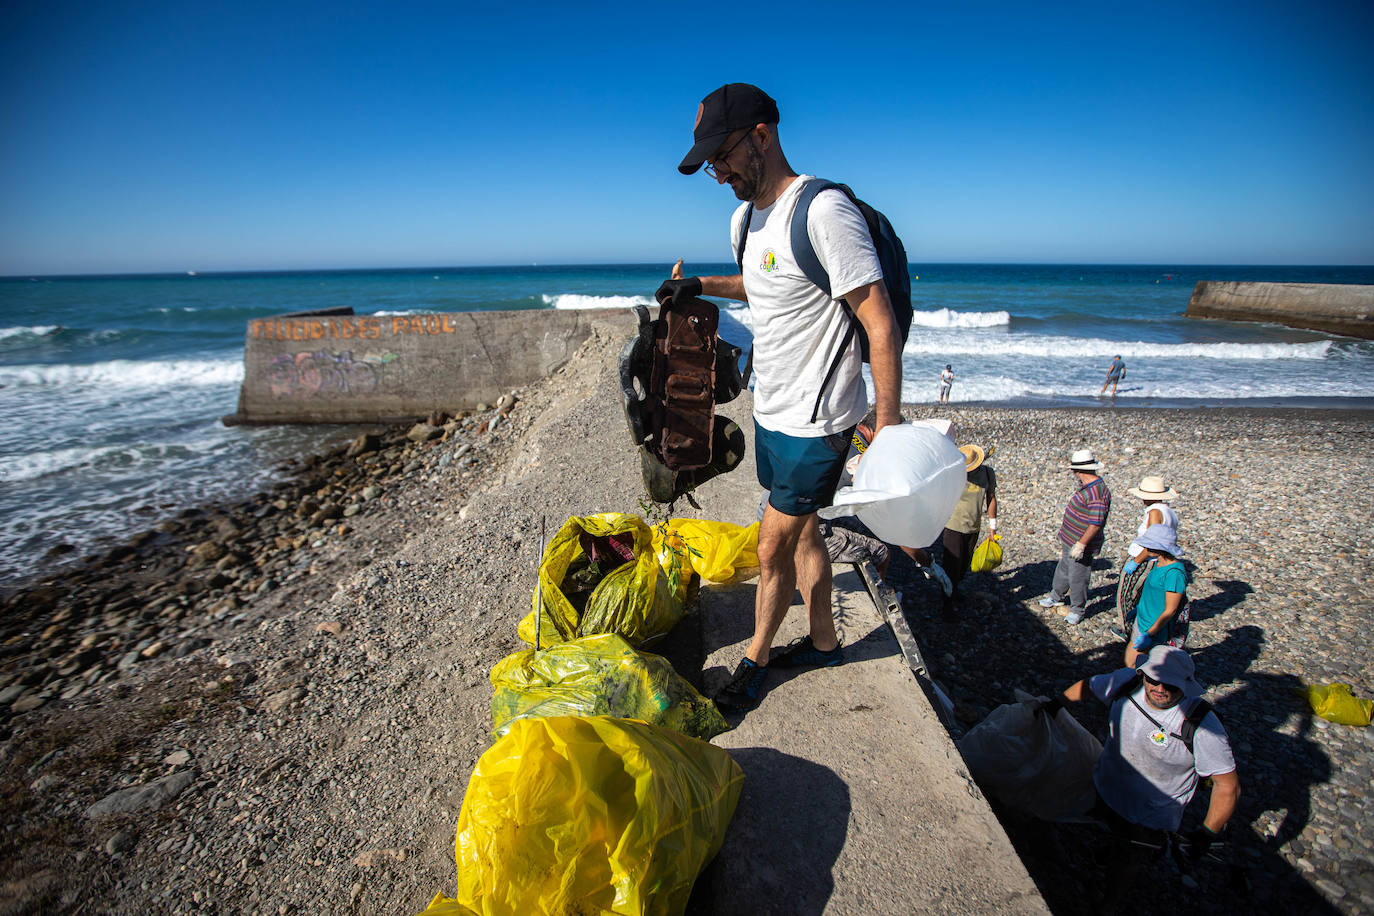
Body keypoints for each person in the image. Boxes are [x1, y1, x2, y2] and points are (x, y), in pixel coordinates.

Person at [661, 83, 903, 711]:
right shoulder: (746, 218)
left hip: (819, 421)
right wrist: (701, 288)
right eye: (710, 162)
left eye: (723, 156)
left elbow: (880, 324)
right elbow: (763, 285)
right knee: (806, 535)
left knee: (770, 546)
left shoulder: (823, 212)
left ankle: (755, 660)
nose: (717, 173)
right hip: (771, 407)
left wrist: (889, 429)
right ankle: (824, 641)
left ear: (762, 134)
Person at [1059, 645, 1240, 907]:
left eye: (1170, 685)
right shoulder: (1127, 682)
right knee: (1110, 829)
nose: (1160, 688)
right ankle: (1118, 849)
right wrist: (1056, 704)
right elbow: (1089, 687)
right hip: (1108, 786)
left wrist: (1206, 833)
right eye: (1154, 680)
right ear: (1143, 674)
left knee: (1128, 862)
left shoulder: (1203, 726)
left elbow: (1227, 785)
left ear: (1186, 685)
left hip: (1151, 814)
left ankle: (1108, 906)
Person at [1039, 449, 1111, 625]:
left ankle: (1077, 609)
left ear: (1078, 471)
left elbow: (1096, 523)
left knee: (1078, 576)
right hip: (1070, 538)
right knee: (1064, 568)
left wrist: (1081, 544)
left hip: (1080, 543)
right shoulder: (1089, 487)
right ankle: (1056, 595)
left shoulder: (1096, 493)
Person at [1111, 475, 1181, 640]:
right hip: (1154, 559)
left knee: (1127, 593)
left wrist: (1136, 561)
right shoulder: (1168, 511)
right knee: (1142, 593)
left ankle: (1126, 629)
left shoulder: (1155, 512)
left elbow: (1152, 541)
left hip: (1144, 558)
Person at [936, 443, 996, 619]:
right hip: (953, 526)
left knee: (963, 564)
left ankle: (954, 591)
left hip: (973, 527)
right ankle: (947, 604)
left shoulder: (987, 473)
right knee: (951, 566)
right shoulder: (953, 475)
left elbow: (991, 498)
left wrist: (992, 527)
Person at [1124, 525, 1189, 667]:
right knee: (1132, 664)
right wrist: (1139, 609)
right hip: (1142, 619)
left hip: (1153, 627)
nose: (1145, 549)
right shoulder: (1158, 563)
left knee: (1135, 665)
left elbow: (1170, 610)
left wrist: (1150, 633)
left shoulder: (1174, 574)